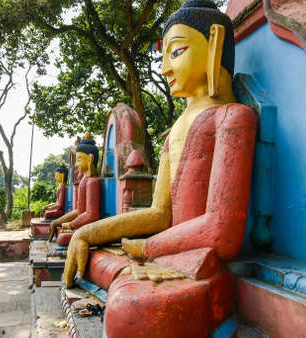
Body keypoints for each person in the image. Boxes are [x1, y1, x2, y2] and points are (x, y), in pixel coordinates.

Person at [63, 0, 257, 288]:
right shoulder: (176, 130)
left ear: (213, 44)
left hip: (199, 261)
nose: (165, 69)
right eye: (164, 56)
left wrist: (145, 248)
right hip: (170, 249)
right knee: (101, 266)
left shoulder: (233, 117)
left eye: (176, 52)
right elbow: (160, 213)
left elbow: (222, 232)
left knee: (130, 306)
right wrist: (87, 233)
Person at [48, 135, 100, 245]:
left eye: (79, 159)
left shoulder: (92, 182)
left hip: (89, 227)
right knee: (61, 236)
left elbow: (92, 215)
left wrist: (71, 224)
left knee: (62, 238)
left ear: (90, 159)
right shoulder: (84, 180)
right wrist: (58, 222)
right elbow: (80, 211)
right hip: (81, 224)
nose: (76, 164)